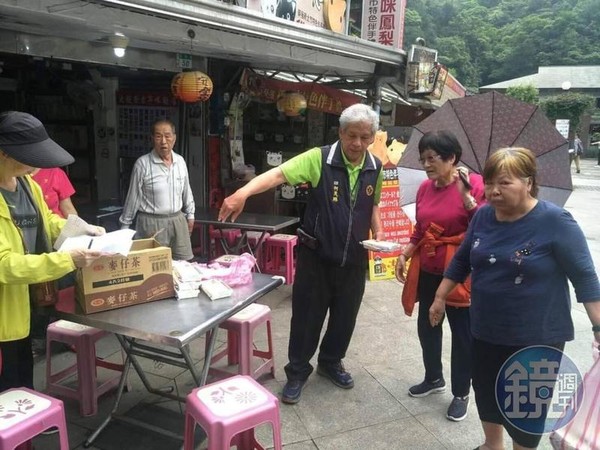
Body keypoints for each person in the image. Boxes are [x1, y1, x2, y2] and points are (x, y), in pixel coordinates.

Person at [430, 147, 600, 449]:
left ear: (529, 182)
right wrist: (440, 296)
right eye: (491, 182)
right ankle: (492, 444)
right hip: (484, 328)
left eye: (504, 183)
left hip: (536, 336)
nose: (493, 191)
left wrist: (598, 326)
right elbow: (462, 261)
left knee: (526, 407)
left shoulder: (556, 221)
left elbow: (585, 278)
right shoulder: (482, 215)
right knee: (485, 389)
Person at [218, 103, 384, 404]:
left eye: (364, 136)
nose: (357, 143)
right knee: (307, 318)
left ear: (372, 136)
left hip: (355, 260)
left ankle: (331, 362)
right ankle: (297, 372)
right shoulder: (319, 159)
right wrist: (243, 192)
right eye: (351, 136)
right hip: (316, 257)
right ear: (340, 132)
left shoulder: (375, 166)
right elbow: (278, 175)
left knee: (345, 319)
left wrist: (380, 234)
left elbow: (373, 206)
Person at [0, 111, 104, 391]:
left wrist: (82, 229)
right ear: (6, 153)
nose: (36, 164)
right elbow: (5, 264)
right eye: (31, 155)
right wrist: (66, 260)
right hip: (4, 312)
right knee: (6, 386)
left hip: (29, 302)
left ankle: (27, 430)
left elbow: (47, 221)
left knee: (23, 376)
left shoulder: (27, 184)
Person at [394, 130, 485, 422]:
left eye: (432, 158)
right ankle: (434, 378)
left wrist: (467, 197)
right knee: (427, 326)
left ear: (452, 158)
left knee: (462, 335)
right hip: (430, 268)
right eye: (423, 159)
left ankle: (461, 393)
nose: (426, 165)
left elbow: (484, 228)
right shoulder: (424, 188)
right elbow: (421, 230)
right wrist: (405, 253)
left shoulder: (476, 185)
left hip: (460, 271)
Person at [119, 118, 195, 261]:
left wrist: (190, 214)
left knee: (183, 265)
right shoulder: (142, 164)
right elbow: (133, 197)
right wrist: (125, 227)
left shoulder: (180, 161)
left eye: (167, 136)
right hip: (150, 223)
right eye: (159, 136)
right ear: (152, 139)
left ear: (174, 138)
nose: (163, 141)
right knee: (153, 269)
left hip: (177, 220)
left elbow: (187, 191)